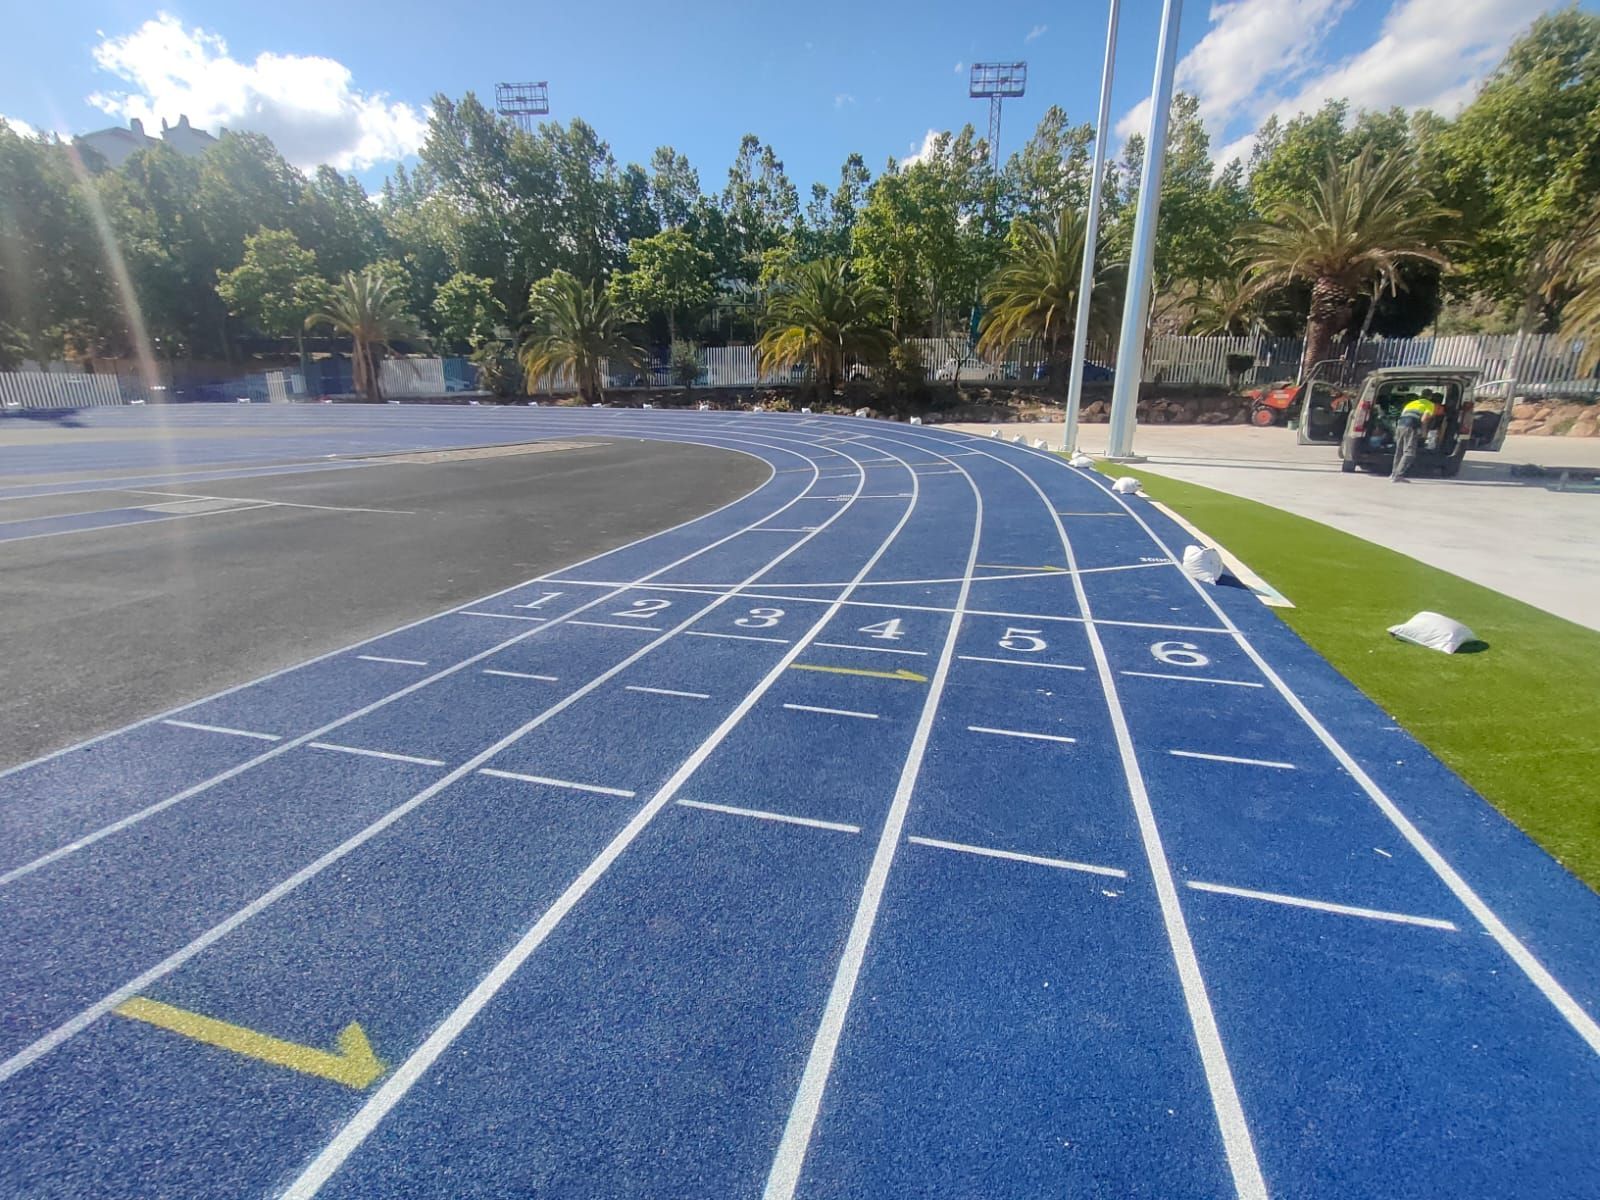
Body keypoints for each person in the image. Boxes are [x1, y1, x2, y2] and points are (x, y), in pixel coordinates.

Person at [1391, 391, 1442, 481]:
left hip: (1400, 425)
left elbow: (1402, 415)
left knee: (1399, 450)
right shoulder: (1430, 404)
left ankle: (1393, 473)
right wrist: (1424, 433)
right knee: (1409, 453)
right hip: (1411, 426)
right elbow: (1424, 419)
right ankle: (1398, 475)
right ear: (1430, 397)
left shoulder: (1411, 403)